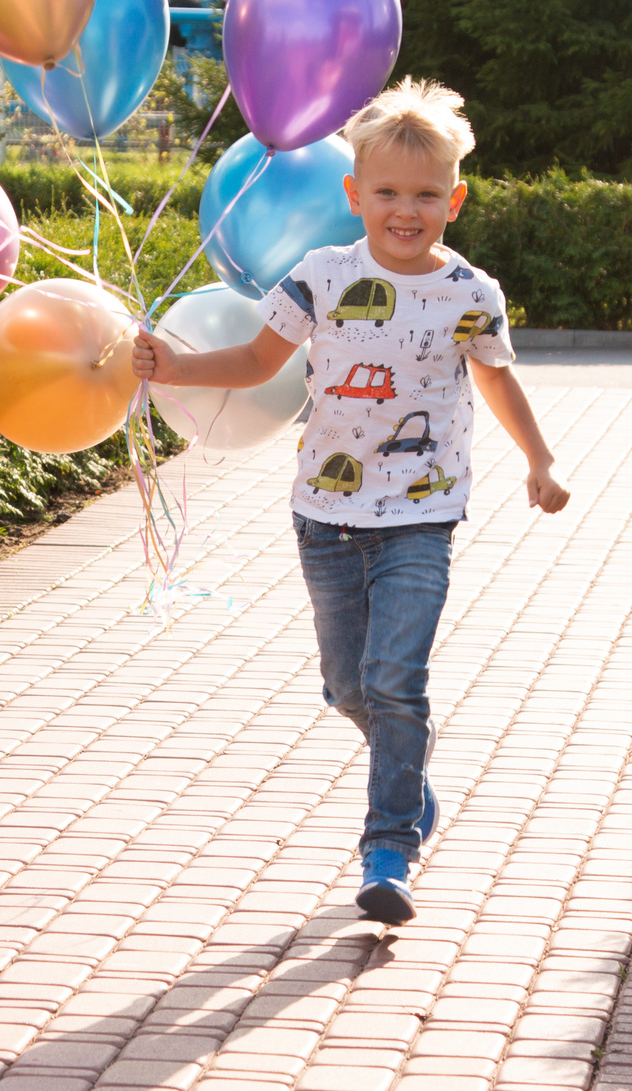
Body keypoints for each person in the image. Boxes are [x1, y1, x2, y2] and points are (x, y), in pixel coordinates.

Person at [132, 79, 570, 924]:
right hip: (326, 518)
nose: (406, 211)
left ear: (454, 201)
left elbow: (497, 379)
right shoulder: (322, 276)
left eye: (426, 195)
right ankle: (408, 766)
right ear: (354, 193)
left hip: (421, 516)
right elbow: (258, 361)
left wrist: (539, 459)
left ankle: (389, 848)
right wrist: (178, 366)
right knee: (347, 687)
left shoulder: (471, 292)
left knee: (394, 679)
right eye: (388, 193)